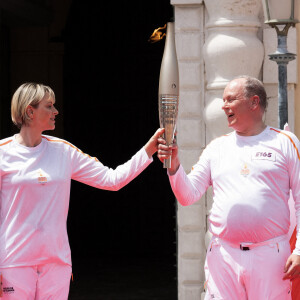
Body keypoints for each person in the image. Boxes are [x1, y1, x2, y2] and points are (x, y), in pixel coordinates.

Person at [0, 82, 164, 300]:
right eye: (49, 106)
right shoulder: (3, 153)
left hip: (56, 264)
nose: (55, 111)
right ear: (30, 111)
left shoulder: (64, 151)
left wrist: (149, 150)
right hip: (14, 264)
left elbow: (112, 179)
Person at [157, 76, 300, 300]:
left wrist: (299, 250)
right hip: (223, 257)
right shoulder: (217, 147)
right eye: (223, 100)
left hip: (271, 256)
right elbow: (188, 195)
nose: (223, 106)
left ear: (254, 102)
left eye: (230, 100)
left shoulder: (285, 142)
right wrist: (174, 166)